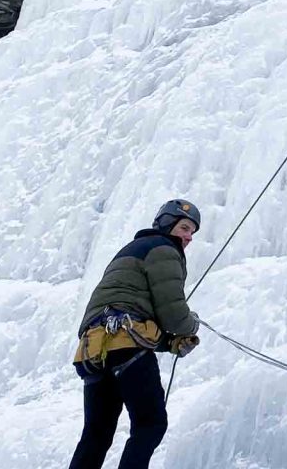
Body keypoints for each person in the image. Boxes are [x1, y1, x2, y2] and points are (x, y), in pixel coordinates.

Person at [68, 200, 204, 469]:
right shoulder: (164, 249)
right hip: (126, 346)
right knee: (151, 423)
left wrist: (170, 343)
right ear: (167, 224)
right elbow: (174, 313)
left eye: (192, 232)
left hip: (93, 350)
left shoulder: (130, 251)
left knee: (96, 434)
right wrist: (192, 326)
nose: (188, 237)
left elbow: (133, 313)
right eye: (185, 227)